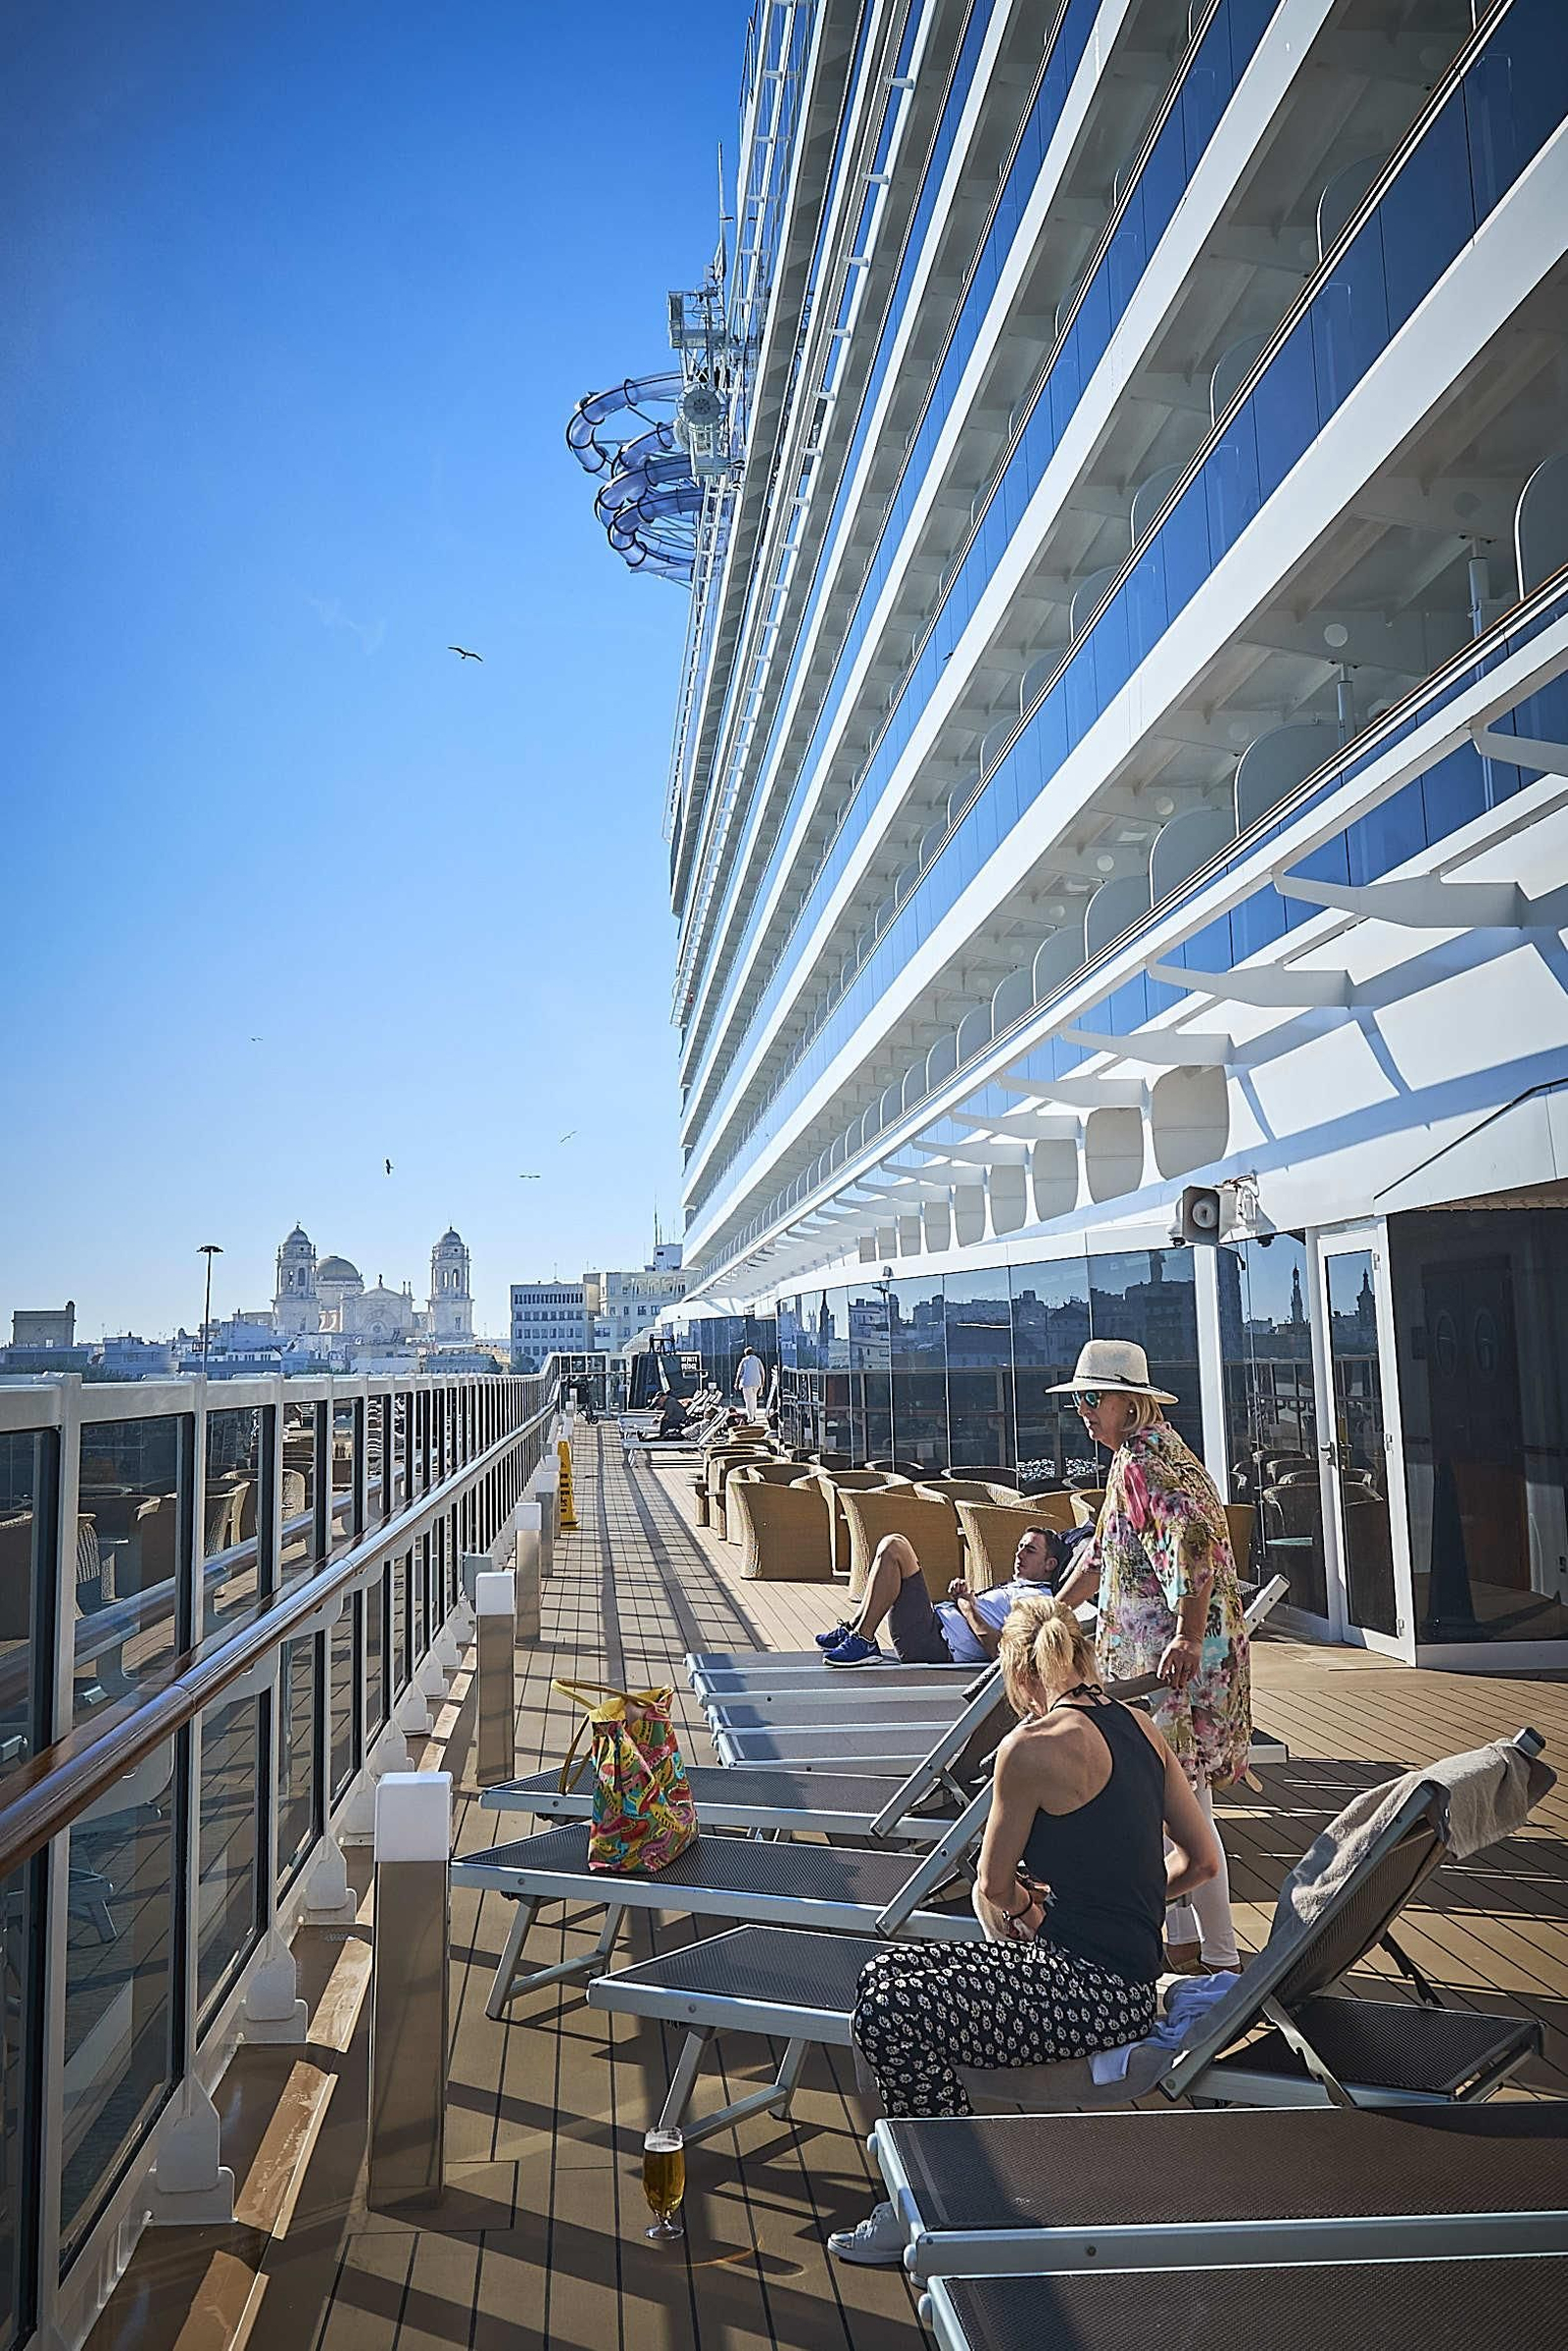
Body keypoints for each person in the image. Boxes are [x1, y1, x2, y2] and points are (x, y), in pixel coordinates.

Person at [828, 1593, 1219, 2263]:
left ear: (1018, 1671)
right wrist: (1127, 1898)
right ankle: (929, 2173)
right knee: (882, 1973)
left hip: (1084, 1997)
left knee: (889, 2013)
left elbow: (992, 1888)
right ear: (1084, 1654)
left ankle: (938, 2200)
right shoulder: (1141, 1727)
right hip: (1123, 1984)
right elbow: (1203, 1861)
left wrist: (1038, 1914)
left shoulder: (1029, 1748)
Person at [1049, 1340, 1250, 1974]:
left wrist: (1187, 1637)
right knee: (1166, 1809)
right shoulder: (1142, 1456)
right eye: (1077, 1399)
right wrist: (1056, 1608)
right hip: (1167, 1663)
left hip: (1170, 1669)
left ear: (1127, 1402)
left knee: (1184, 1811)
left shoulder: (1147, 1464)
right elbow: (1104, 1553)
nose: (1081, 1410)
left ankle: (1220, 1959)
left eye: (1090, 1398)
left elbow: (1192, 1549)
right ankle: (1184, 1944)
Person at [816, 1524, 1085, 1666]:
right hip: (932, 1627)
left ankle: (863, 1640)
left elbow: (1002, 1651)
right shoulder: (1020, 1588)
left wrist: (967, 1606)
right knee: (892, 1548)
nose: (1019, 1554)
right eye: (1020, 1547)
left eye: (1030, 1551)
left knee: (895, 1547)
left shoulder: (1037, 1603)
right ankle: (856, 1629)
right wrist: (965, 1597)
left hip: (933, 1643)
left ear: (1050, 1565)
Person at [734, 1347, 767, 1418]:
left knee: (748, 1400)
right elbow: (762, 1372)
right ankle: (753, 1415)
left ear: (746, 1353)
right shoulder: (758, 1360)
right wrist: (763, 1383)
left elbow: (739, 1372)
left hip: (746, 1383)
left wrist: (736, 1382)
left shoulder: (744, 1360)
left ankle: (750, 1417)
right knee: (754, 1399)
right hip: (757, 1383)